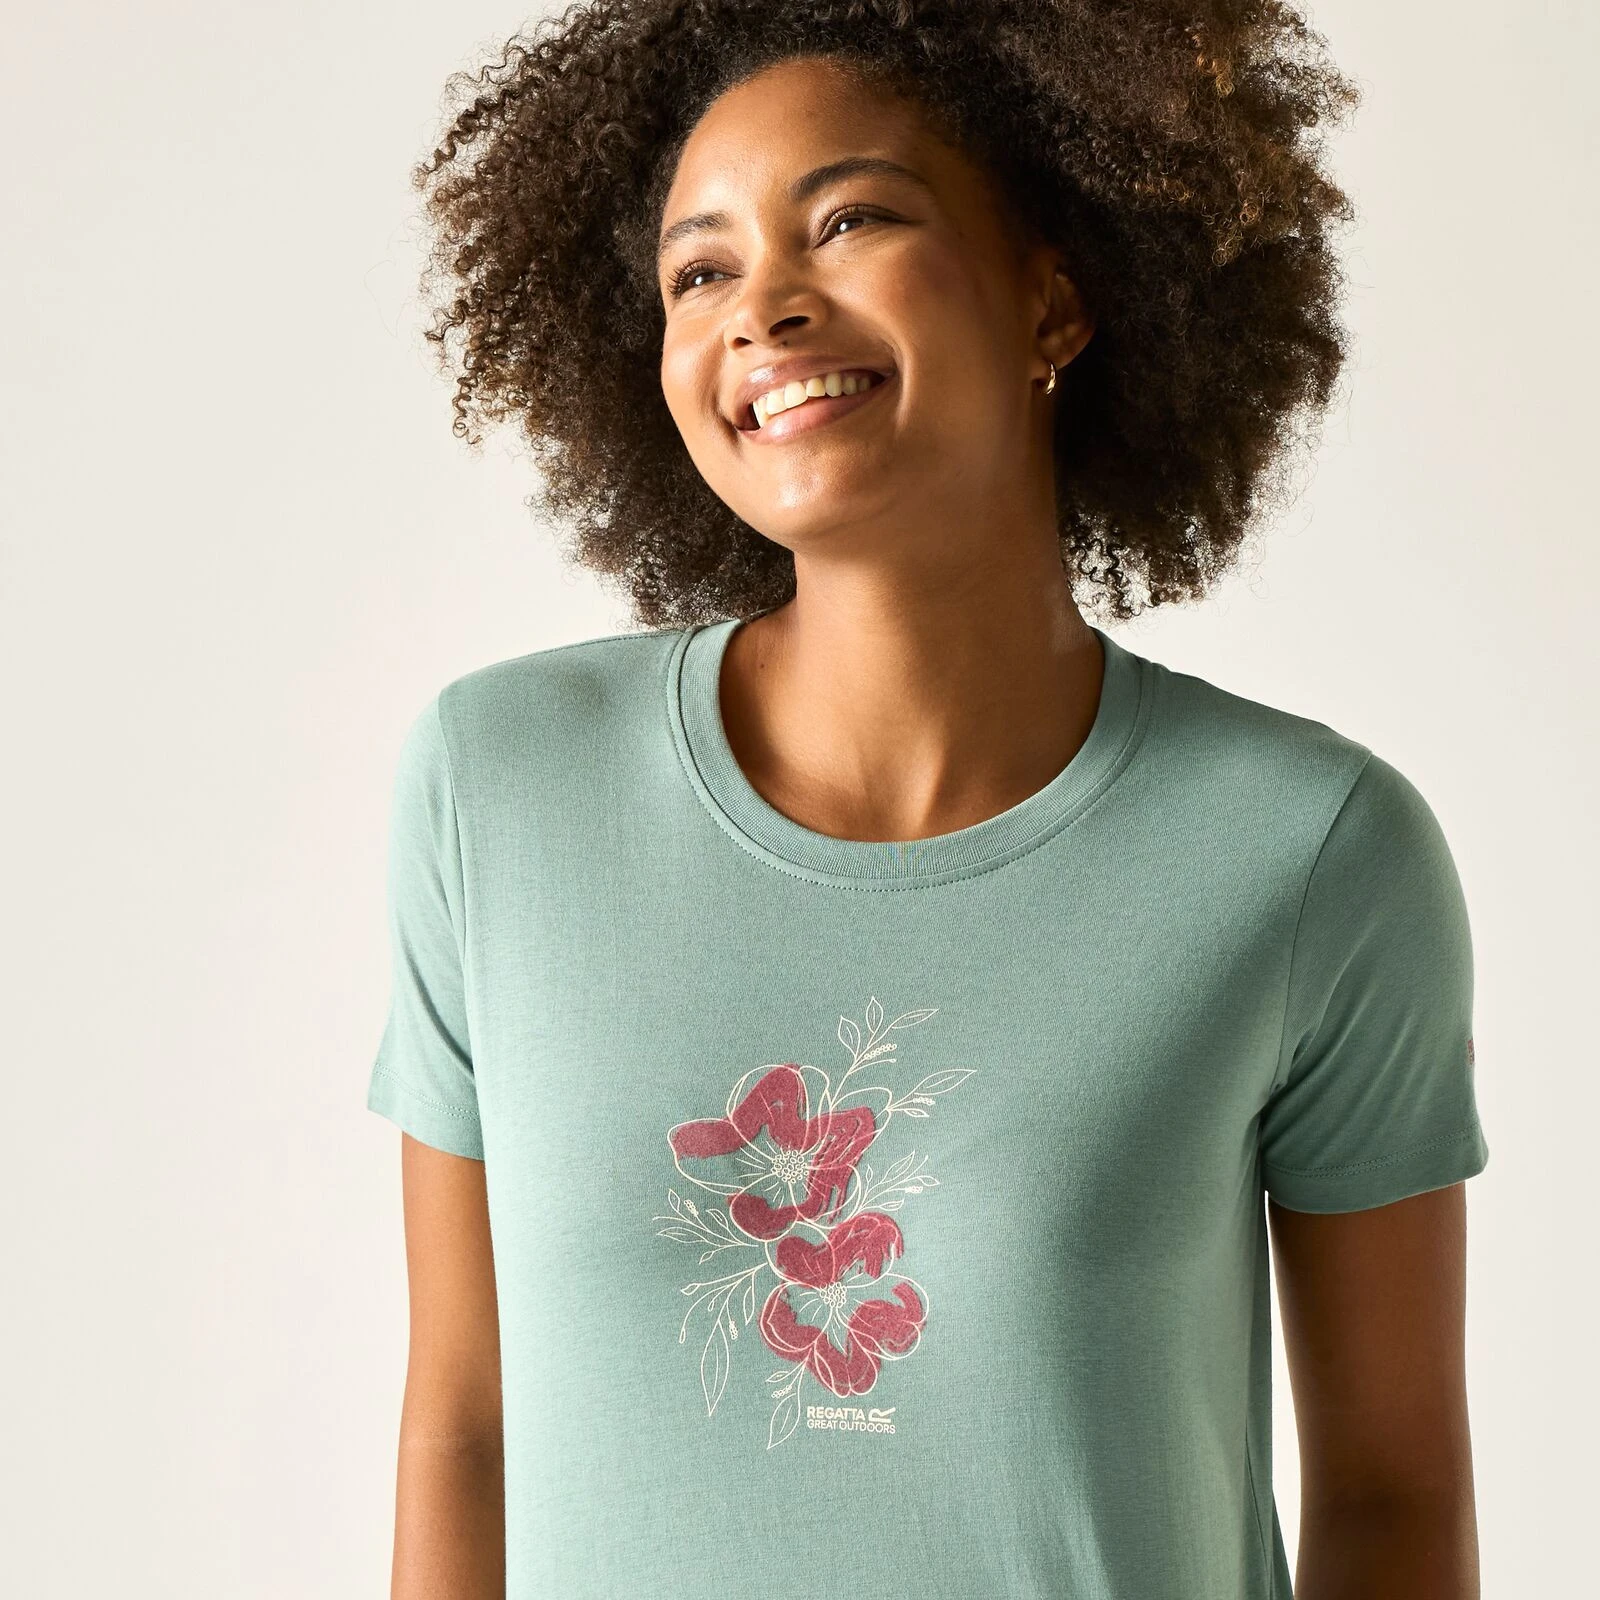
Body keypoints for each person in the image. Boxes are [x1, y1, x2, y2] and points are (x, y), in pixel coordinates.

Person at [366, 4, 1490, 1596]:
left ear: (1053, 296)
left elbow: (1389, 1493)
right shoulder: (499, 789)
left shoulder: (1305, 852)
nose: (763, 305)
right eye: (699, 272)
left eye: (851, 220)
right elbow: (463, 1434)